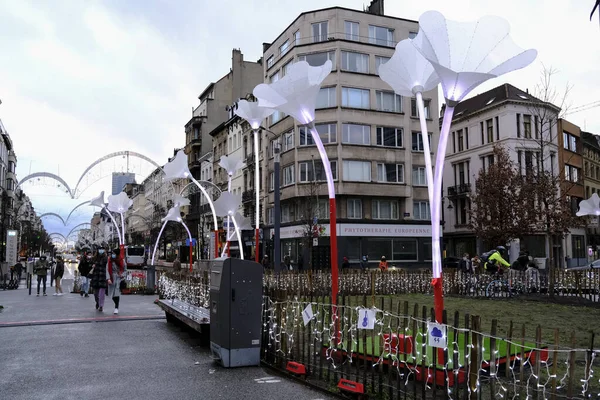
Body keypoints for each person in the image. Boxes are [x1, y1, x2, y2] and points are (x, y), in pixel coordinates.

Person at [106, 247, 127, 315]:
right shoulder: (110, 260)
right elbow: (107, 270)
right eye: (112, 253)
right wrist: (108, 278)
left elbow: (125, 270)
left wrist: (122, 275)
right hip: (111, 278)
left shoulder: (122, 261)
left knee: (116, 293)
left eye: (114, 253)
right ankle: (116, 305)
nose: (112, 255)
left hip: (118, 279)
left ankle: (116, 307)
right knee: (110, 294)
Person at [90, 248, 108, 312]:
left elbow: (108, 267)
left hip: (102, 277)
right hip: (95, 277)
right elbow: (90, 265)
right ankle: (97, 302)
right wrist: (92, 266)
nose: (101, 251)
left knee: (101, 294)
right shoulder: (94, 258)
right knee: (95, 294)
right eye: (100, 249)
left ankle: (101, 306)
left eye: (102, 249)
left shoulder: (106, 258)